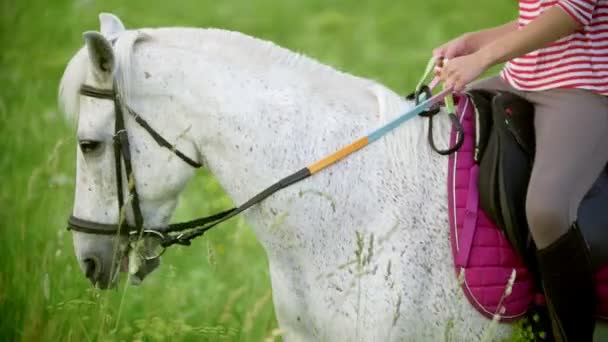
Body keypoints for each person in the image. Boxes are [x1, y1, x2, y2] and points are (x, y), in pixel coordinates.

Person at [434, 1, 608, 340]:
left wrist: (481, 59)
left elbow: (571, 15)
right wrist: (473, 42)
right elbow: (536, 18)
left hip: (582, 87)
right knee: (435, 116)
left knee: (547, 209)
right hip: (519, 77)